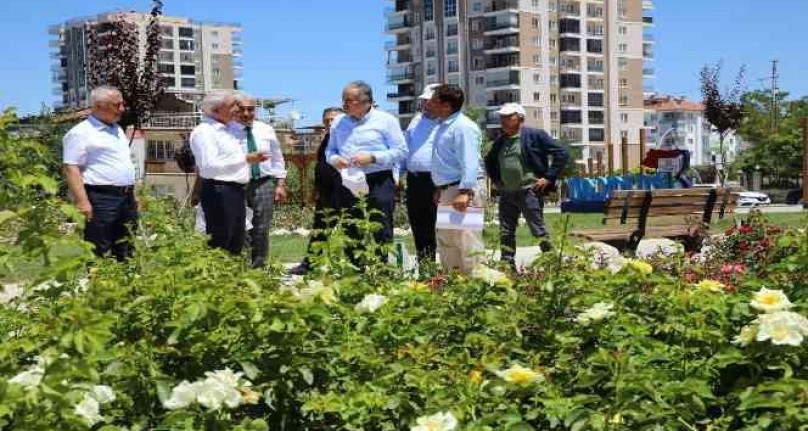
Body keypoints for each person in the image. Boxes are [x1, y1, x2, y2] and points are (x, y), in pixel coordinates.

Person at [325, 81, 407, 267]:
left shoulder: (386, 120)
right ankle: (355, 272)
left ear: (366, 101)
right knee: (350, 227)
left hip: (378, 179)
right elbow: (330, 151)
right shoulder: (338, 121)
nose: (344, 104)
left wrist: (372, 157)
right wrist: (335, 160)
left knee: (381, 226)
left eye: (349, 100)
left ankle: (382, 272)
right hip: (348, 180)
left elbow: (401, 151)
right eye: (343, 100)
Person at [484, 103, 569, 268]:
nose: (503, 120)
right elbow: (489, 160)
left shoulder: (535, 135)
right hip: (507, 193)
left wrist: (548, 177)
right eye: (502, 117)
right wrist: (496, 180)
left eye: (508, 117)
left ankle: (552, 263)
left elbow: (562, 153)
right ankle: (507, 265)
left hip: (529, 192)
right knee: (505, 231)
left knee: (538, 229)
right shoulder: (501, 140)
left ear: (520, 118)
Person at [63, 86, 138, 261]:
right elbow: (71, 168)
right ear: (99, 105)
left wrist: (133, 195)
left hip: (125, 197)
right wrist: (82, 202)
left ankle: (127, 287)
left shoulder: (117, 130)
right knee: (100, 248)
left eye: (122, 104)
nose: (122, 109)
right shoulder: (80, 133)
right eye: (117, 105)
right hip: (101, 198)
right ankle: (99, 286)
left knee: (127, 246)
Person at [190, 90, 268, 255]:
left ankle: (231, 278)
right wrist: (246, 159)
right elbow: (208, 166)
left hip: (235, 192)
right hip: (219, 191)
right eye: (232, 105)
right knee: (220, 243)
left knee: (235, 243)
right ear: (216, 109)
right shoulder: (205, 132)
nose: (237, 109)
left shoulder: (227, 130)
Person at [428, 84, 485, 274]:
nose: (429, 103)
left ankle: (477, 288)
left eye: (434, 100)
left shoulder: (463, 127)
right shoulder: (443, 126)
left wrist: (465, 191)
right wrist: (440, 187)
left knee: (468, 241)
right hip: (449, 190)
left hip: (462, 190)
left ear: (446, 105)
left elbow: (469, 161)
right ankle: (454, 284)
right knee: (448, 241)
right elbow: (445, 161)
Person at [230, 93, 288, 267]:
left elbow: (277, 157)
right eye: (242, 109)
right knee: (239, 227)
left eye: (250, 109)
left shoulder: (265, 129)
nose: (247, 113)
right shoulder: (226, 130)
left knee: (261, 227)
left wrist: (280, 184)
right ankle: (241, 266)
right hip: (237, 185)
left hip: (263, 183)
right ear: (234, 109)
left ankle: (259, 267)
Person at [288, 106, 343, 275]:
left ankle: (355, 265)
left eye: (333, 119)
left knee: (351, 229)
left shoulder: (347, 138)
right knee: (320, 230)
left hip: (342, 191)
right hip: (325, 193)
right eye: (326, 120)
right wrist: (314, 191)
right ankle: (310, 264)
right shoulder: (327, 138)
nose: (329, 123)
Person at [403, 83, 441, 266]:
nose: (425, 105)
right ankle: (427, 270)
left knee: (453, 230)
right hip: (417, 181)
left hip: (442, 182)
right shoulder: (416, 121)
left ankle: (458, 274)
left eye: (429, 101)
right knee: (420, 227)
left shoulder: (452, 123)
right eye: (424, 101)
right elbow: (406, 149)